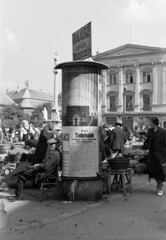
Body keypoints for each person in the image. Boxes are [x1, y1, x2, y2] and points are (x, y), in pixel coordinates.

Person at [143, 117, 166, 196]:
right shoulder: (150, 131)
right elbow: (148, 141)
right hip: (152, 154)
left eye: (150, 122)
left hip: (160, 154)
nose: (149, 123)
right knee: (151, 170)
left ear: (155, 123)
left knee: (159, 171)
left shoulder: (163, 131)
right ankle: (158, 184)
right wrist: (145, 144)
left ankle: (160, 188)